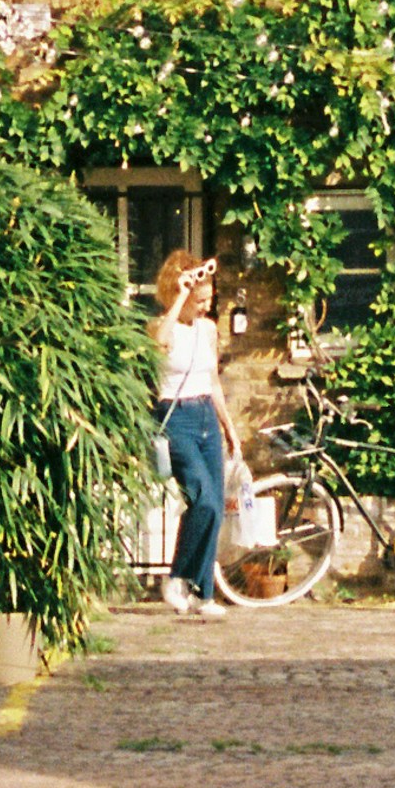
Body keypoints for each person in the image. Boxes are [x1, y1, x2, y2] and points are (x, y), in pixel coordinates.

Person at [151, 251, 233, 620]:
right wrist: (181, 295)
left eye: (208, 299)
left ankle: (203, 593)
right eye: (199, 300)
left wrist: (229, 428)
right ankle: (177, 578)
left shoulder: (208, 330)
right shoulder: (161, 326)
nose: (205, 307)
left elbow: (213, 381)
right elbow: (159, 343)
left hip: (205, 418)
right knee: (204, 499)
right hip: (176, 417)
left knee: (215, 504)